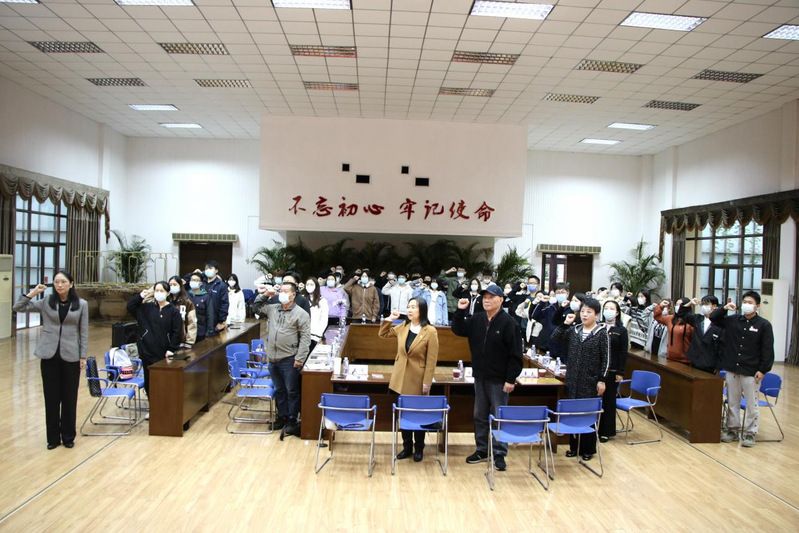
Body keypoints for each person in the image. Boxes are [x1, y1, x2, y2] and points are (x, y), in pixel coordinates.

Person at [13, 271, 88, 450]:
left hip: (71, 355)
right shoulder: (47, 301)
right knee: (51, 398)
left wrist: (83, 356)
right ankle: (53, 438)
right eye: (56, 282)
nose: (59, 285)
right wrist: (33, 293)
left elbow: (84, 332)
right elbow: (18, 307)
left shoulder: (81, 304)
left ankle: (68, 436)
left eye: (63, 282)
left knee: (69, 398)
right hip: (49, 354)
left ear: (71, 284)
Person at [452, 284, 523, 472]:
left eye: (491, 297)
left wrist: (511, 379)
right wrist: (460, 311)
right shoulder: (477, 319)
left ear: (501, 300)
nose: (487, 300)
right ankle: (482, 450)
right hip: (480, 376)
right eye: (485, 297)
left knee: (499, 416)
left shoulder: (509, 323)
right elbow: (458, 329)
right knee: (479, 415)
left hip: (500, 379)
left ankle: (499, 453)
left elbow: (516, 354)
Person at [379, 298, 439, 462]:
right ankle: (407, 447)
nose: (410, 310)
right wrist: (390, 319)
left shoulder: (430, 331)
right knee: (403, 413)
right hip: (400, 378)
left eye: (414, 307)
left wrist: (427, 381)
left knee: (417, 415)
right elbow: (383, 334)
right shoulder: (403, 326)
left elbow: (432, 360)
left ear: (422, 310)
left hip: (417, 379)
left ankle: (419, 448)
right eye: (408, 307)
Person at [712, 291, 774, 447]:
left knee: (752, 404)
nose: (746, 304)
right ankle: (732, 430)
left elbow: (767, 350)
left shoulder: (764, 325)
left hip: (751, 371)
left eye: (750, 302)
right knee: (733, 402)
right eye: (745, 301)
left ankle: (750, 433)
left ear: (757, 306)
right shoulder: (733, 320)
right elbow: (714, 318)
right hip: (732, 368)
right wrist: (724, 308)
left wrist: (763, 370)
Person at [551, 298, 609, 460]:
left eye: (589, 312)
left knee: (586, 414)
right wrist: (565, 324)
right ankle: (574, 447)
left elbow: (606, 359)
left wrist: (602, 379)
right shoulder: (574, 330)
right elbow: (554, 338)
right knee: (572, 413)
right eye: (583, 311)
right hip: (572, 379)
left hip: (590, 380)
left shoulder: (601, 333)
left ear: (596, 315)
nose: (584, 315)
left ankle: (588, 449)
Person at [252, 282, 311, 437]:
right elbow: (256, 307)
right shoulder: (273, 308)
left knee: (291, 391)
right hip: (273, 358)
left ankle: (292, 419)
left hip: (289, 358)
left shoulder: (301, 314)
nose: (282, 294)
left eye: (286, 291)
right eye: (281, 291)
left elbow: (305, 338)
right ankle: (282, 416)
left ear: (293, 295)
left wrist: (300, 358)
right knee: (279, 390)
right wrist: (266, 295)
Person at [127, 281, 183, 396]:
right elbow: (130, 306)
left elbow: (177, 332)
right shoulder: (146, 308)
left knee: (163, 382)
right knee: (149, 382)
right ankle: (151, 404)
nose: (159, 293)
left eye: (161, 291)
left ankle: (163, 404)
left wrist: (171, 349)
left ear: (168, 293)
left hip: (163, 353)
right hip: (146, 352)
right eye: (156, 290)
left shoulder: (173, 311)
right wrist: (142, 295)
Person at [598, 300, 627, 442]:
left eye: (611, 308)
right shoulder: (598, 327)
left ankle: (606, 431)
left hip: (613, 370)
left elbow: (623, 352)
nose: (608, 310)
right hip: (598, 369)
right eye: (606, 308)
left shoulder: (621, 331)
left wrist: (620, 372)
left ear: (617, 313)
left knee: (609, 401)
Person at [685, 295, 722, 373]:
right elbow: (682, 315)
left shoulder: (720, 322)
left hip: (710, 363)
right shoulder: (698, 319)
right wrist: (690, 303)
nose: (703, 306)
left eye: (706, 304)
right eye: (702, 304)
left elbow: (722, 347)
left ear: (714, 306)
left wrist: (718, 366)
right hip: (694, 360)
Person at [654, 297, 694, 364]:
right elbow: (657, 317)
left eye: (680, 305)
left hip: (685, 360)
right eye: (677, 304)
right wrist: (660, 306)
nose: (678, 306)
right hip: (670, 357)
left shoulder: (691, 321)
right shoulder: (670, 318)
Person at [167, 275, 196, 348]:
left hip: (180, 339)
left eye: (174, 284)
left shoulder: (187, 302)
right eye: (170, 285)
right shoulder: (165, 300)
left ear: (180, 285)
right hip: (166, 338)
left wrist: (189, 341)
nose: (172, 286)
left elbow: (192, 323)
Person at [187, 272, 216, 342]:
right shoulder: (186, 295)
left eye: (196, 280)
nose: (193, 282)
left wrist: (209, 331)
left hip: (201, 331)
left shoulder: (206, 296)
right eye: (192, 280)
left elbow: (210, 315)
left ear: (201, 283)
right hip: (188, 330)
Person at [303, 277, 329, 353]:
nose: (309, 286)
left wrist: (318, 334)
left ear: (316, 286)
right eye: (307, 284)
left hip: (315, 335)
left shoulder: (322, 301)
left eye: (311, 284)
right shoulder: (302, 299)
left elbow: (324, 320)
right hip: (303, 334)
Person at [203, 260, 229, 333]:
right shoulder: (202, 284)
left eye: (210, 268)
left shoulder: (221, 285)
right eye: (206, 269)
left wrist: (221, 321)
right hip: (202, 320)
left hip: (215, 321)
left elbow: (224, 304)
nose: (208, 270)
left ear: (216, 270)